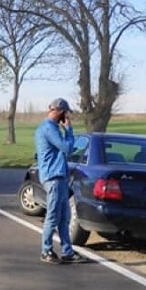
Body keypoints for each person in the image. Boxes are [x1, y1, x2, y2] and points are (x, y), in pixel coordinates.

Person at [34, 98, 84, 264]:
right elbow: (67, 148)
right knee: (54, 216)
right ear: (60, 111)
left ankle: (67, 250)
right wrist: (69, 130)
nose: (66, 117)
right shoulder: (49, 129)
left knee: (64, 216)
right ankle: (46, 250)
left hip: (59, 176)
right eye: (65, 113)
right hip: (53, 176)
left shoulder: (49, 127)